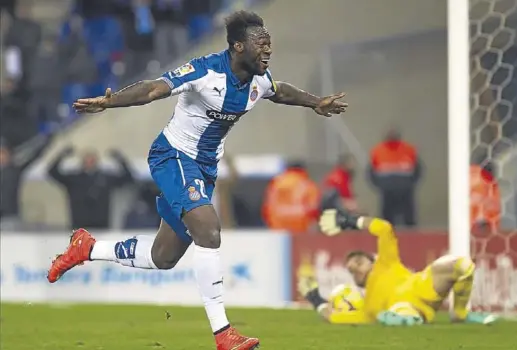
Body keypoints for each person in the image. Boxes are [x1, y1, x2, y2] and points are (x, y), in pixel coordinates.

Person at [47, 10, 347, 350]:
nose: (268, 50)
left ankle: (87, 248)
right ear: (238, 47)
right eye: (260, 44)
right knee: (209, 230)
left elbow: (281, 92)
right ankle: (224, 335)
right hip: (173, 156)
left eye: (269, 44)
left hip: (204, 170)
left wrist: (315, 102)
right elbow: (153, 90)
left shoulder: (258, 81)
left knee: (164, 256)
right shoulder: (205, 71)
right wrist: (111, 101)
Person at [297, 206, 497, 326]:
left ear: (371, 260)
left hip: (422, 285)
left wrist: (350, 220)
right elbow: (333, 317)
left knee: (463, 265)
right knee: (398, 312)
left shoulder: (386, 262)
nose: (356, 269)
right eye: (351, 270)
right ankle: (404, 319)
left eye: (358, 263)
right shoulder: (368, 308)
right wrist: (315, 299)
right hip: (406, 308)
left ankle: (460, 314)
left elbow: (385, 229)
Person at [48, 147, 134, 229]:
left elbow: (128, 177)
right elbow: (52, 172)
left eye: (92, 160)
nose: (89, 163)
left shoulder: (105, 178)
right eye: (87, 160)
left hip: (101, 225)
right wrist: (62, 155)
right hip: (79, 225)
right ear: (82, 162)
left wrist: (120, 159)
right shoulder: (74, 179)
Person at [368, 129, 421, 226]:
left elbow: (418, 169)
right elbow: (371, 172)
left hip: (405, 191)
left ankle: (410, 239)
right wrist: (380, 186)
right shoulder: (378, 151)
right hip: (387, 192)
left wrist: (410, 185)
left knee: (408, 220)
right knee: (387, 221)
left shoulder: (408, 149)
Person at [262, 161, 320, 234]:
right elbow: (313, 209)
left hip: (277, 227)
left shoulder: (276, 183)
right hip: (299, 228)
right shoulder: (307, 184)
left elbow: (266, 207)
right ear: (303, 170)